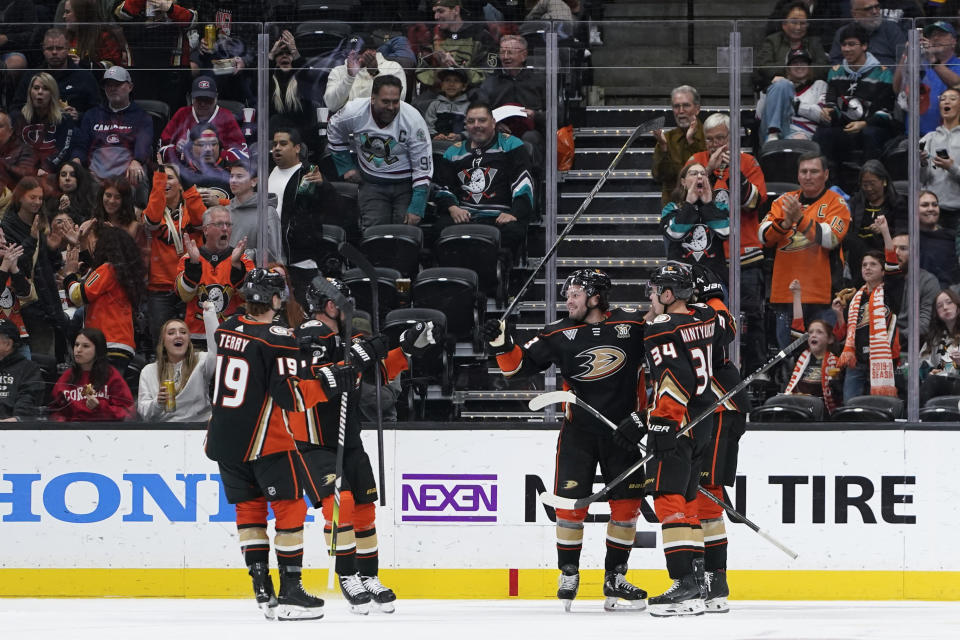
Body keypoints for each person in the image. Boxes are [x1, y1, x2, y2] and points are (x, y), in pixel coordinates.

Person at [483, 269, 648, 612]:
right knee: (570, 506)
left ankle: (615, 576)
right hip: (579, 434)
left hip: (625, 432)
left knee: (627, 507)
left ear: (595, 297)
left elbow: (667, 365)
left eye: (574, 294)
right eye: (567, 294)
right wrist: (501, 343)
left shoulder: (634, 326)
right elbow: (516, 369)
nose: (567, 300)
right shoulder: (558, 333)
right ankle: (569, 572)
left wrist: (643, 419)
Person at [289, 277, 435, 614]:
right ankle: (348, 575)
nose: (348, 308)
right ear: (329, 305)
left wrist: (408, 346)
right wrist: (353, 359)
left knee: (365, 510)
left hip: (348, 437)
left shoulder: (347, 339)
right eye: (343, 303)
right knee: (341, 505)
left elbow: (378, 372)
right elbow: (310, 379)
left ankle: (369, 576)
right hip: (314, 441)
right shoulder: (310, 334)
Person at [204, 267, 331, 621]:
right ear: (274, 299)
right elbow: (292, 397)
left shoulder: (228, 326)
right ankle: (291, 592)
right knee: (290, 508)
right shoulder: (278, 337)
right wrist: (328, 381)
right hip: (264, 440)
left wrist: (299, 354)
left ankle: (262, 588)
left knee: (249, 509)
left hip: (223, 438)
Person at [625, 262, 733, 617]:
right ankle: (699, 584)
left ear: (669, 294)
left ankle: (684, 586)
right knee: (687, 499)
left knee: (669, 500)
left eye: (655, 291)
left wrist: (660, 424)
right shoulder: (705, 315)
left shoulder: (659, 327)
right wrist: (714, 291)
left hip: (679, 420)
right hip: (704, 422)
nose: (651, 299)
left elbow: (675, 377)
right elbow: (723, 320)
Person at [687, 112, 768, 374]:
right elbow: (685, 198)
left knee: (751, 318)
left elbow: (754, 201)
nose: (714, 144)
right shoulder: (697, 162)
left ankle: (755, 374)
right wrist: (708, 170)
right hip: (708, 256)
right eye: (709, 139)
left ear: (732, 138)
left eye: (720, 138)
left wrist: (734, 172)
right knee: (707, 317)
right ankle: (713, 372)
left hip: (745, 254)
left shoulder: (748, 162)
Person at [760, 153, 851, 349]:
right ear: (798, 175)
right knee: (789, 360)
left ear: (826, 174)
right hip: (785, 295)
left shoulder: (837, 203)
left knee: (821, 361)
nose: (808, 176)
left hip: (822, 298)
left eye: (814, 171)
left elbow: (830, 238)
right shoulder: (784, 201)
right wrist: (785, 222)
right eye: (804, 171)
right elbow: (763, 236)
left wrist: (799, 219)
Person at [328, 75, 433, 230]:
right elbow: (334, 128)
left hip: (406, 186)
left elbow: (423, 167)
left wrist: (417, 206)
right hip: (371, 184)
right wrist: (346, 166)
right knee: (373, 233)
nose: (391, 107)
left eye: (395, 101)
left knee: (404, 234)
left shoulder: (413, 120)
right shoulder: (354, 111)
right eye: (385, 101)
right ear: (372, 98)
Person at [433, 101, 535, 259]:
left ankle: (496, 278)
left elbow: (524, 183)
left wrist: (514, 213)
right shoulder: (453, 151)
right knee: (440, 229)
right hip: (464, 216)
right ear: (465, 125)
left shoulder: (511, 145)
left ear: (493, 123)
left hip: (499, 217)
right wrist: (453, 208)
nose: (476, 125)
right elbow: (443, 187)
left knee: (513, 231)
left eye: (482, 120)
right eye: (471, 121)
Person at [835, 214, 902, 400]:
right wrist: (839, 314)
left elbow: (892, 262)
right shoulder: (855, 298)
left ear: (883, 270)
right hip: (857, 361)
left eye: (873, 264)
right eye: (864, 265)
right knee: (850, 407)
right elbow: (842, 336)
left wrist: (885, 231)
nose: (867, 268)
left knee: (882, 406)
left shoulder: (891, 291)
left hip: (884, 359)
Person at [63, 224, 147, 373]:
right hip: (122, 344)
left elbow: (79, 295)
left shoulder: (108, 269)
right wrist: (82, 245)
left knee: (100, 393)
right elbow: (93, 274)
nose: (95, 245)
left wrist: (70, 275)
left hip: (106, 343)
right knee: (108, 392)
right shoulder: (124, 272)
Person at [268, 127, 337, 305]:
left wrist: (323, 186)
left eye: (283, 144)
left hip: (300, 258)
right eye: (274, 144)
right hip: (271, 254)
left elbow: (332, 208)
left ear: (297, 148)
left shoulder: (309, 174)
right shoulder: (266, 172)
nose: (277, 148)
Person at [816, 23, 898, 170]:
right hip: (845, 127)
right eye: (844, 45)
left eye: (852, 44)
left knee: (870, 134)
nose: (846, 49)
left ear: (864, 46)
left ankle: (869, 180)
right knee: (823, 134)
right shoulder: (835, 72)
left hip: (871, 127)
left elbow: (885, 111)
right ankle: (831, 184)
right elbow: (831, 103)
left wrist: (864, 123)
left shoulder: (882, 73)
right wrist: (829, 112)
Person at [2, 176, 67, 359]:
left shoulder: (41, 223)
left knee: (47, 357)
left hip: (46, 298)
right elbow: (14, 263)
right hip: (24, 303)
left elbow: (50, 265)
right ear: (20, 197)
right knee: (32, 357)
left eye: (40, 198)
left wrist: (53, 248)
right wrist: (31, 240)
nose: (37, 202)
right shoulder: (6, 227)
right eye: (32, 197)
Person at [142, 163, 205, 345]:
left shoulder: (191, 208)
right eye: (161, 179)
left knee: (191, 342)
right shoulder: (152, 211)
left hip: (191, 285)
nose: (164, 182)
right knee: (161, 344)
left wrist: (190, 189)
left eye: (170, 177)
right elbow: (152, 221)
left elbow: (201, 221)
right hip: (160, 288)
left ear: (181, 183)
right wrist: (158, 182)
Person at [175, 205, 253, 341]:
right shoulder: (189, 258)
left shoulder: (243, 259)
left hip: (232, 337)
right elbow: (184, 296)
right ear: (205, 230)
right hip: (197, 338)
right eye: (219, 224)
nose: (225, 228)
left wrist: (236, 267)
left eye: (228, 224)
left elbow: (249, 296)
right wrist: (194, 266)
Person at [70, 66, 154, 188]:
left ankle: (138, 208)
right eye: (109, 85)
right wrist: (76, 160)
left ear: (130, 87)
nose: (113, 88)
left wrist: (137, 161)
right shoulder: (92, 115)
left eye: (118, 84)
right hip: (94, 174)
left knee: (138, 174)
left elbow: (143, 145)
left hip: (127, 174)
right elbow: (81, 144)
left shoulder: (142, 117)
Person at [137, 303, 218, 422]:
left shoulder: (201, 360)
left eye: (183, 332)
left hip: (199, 426)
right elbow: (144, 412)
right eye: (171, 333)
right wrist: (157, 403)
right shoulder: (148, 371)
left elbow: (217, 351)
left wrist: (210, 314)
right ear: (163, 341)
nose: (178, 336)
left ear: (188, 340)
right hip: (165, 429)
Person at [475, 34, 547, 163]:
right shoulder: (490, 82)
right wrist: (494, 124)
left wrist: (535, 115)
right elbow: (479, 110)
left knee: (530, 139)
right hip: (497, 131)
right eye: (502, 52)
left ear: (524, 55)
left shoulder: (539, 80)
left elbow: (556, 115)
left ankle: (530, 179)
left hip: (532, 131)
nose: (505, 57)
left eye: (510, 52)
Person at [660, 161, 730, 283]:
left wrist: (708, 205)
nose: (699, 176)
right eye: (693, 173)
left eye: (703, 174)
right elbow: (674, 233)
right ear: (683, 182)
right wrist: (689, 205)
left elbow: (725, 231)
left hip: (713, 278)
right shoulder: (671, 208)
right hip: (680, 279)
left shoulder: (720, 207)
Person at [9, 28, 100, 119]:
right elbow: (15, 110)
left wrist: (79, 116)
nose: (54, 52)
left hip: (74, 129)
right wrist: (33, 114)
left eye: (59, 48)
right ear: (43, 49)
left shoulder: (84, 77)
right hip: (38, 129)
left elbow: (98, 113)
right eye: (49, 48)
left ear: (68, 49)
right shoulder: (31, 76)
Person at [784, 279, 843, 415]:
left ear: (830, 339)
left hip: (823, 414)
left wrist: (839, 314)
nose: (813, 336)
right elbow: (797, 326)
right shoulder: (802, 355)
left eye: (819, 332)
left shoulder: (837, 360)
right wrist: (797, 295)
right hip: (797, 410)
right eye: (810, 332)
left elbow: (844, 336)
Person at [49, 327, 134, 422]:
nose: (78, 350)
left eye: (85, 346)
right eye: (76, 345)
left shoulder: (112, 376)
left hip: (105, 431)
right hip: (72, 432)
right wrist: (62, 423)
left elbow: (128, 412)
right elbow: (54, 411)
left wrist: (100, 407)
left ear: (98, 350)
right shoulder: (67, 377)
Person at [844, 160, 906, 287]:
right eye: (865, 185)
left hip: (885, 255)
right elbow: (849, 231)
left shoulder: (898, 203)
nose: (869, 189)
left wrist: (884, 231)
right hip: (858, 258)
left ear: (883, 181)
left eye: (872, 184)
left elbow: (902, 232)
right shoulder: (855, 201)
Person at [892, 20, 960, 136]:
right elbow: (897, 88)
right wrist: (906, 54)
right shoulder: (922, 64)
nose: (936, 38)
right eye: (932, 35)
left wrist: (933, 60)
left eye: (942, 35)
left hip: (947, 137)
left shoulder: (957, 64)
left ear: (954, 42)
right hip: (915, 135)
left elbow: (956, 84)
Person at [159, 75, 246, 165]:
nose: (203, 104)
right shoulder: (182, 114)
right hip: (185, 173)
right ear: (191, 98)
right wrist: (177, 150)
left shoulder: (225, 116)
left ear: (216, 98)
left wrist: (217, 153)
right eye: (199, 99)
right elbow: (161, 152)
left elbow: (243, 154)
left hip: (219, 173)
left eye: (208, 99)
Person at [415, 0, 496, 92]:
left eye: (441, 11)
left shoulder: (481, 36)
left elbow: (488, 74)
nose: (436, 17)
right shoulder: (430, 35)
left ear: (456, 10)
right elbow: (421, 71)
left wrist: (457, 70)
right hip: (437, 93)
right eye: (435, 12)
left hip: (471, 93)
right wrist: (441, 71)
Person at [267, 30, 322, 162]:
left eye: (289, 54)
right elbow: (258, 80)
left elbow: (307, 76)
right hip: (274, 140)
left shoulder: (303, 83)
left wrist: (294, 49)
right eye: (280, 54)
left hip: (301, 139)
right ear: (275, 61)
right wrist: (271, 53)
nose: (284, 56)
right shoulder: (269, 83)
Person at [753, 1, 830, 93]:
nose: (798, 27)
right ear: (784, 24)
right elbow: (763, 67)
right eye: (794, 22)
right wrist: (791, 71)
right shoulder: (772, 41)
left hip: (809, 91)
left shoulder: (814, 42)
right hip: (779, 89)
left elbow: (824, 67)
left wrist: (804, 72)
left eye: (802, 23)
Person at [10, 73, 77, 176]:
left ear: (52, 94)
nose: (40, 92)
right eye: (36, 88)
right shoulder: (17, 118)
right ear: (30, 92)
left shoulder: (64, 120)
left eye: (45, 89)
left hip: (52, 172)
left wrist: (46, 167)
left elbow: (64, 149)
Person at [756, 48, 829, 143]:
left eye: (803, 62)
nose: (799, 66)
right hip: (769, 134)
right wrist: (769, 91)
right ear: (788, 68)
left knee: (798, 139)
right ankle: (773, 134)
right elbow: (759, 116)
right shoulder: (779, 86)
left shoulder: (819, 85)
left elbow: (822, 116)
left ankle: (777, 143)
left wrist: (795, 105)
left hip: (802, 133)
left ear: (809, 67)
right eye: (795, 62)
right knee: (783, 85)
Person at [324, 33, 408, 114]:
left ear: (373, 51)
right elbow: (331, 105)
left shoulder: (392, 67)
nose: (353, 55)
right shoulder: (338, 71)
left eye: (358, 52)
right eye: (349, 52)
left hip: (381, 123)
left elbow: (399, 100)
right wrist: (350, 77)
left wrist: (375, 73)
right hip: (348, 124)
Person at [652, 85, 705, 206]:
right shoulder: (667, 138)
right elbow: (658, 176)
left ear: (697, 109)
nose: (681, 111)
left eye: (686, 105)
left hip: (704, 206)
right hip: (674, 209)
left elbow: (708, 171)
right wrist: (664, 147)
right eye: (676, 106)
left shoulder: (710, 135)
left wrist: (691, 141)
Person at [227, 156, 282, 266]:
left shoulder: (267, 213)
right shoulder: (225, 211)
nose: (233, 180)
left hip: (254, 279)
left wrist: (242, 255)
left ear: (253, 181)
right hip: (225, 278)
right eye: (231, 176)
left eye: (239, 176)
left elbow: (273, 254)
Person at [920, 88, 960, 232]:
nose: (946, 101)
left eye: (952, 98)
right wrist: (923, 164)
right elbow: (920, 180)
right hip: (934, 212)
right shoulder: (928, 139)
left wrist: (952, 168)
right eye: (943, 99)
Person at [890, 231, 939, 344]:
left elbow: (925, 323)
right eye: (892, 249)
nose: (896, 253)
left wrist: (895, 338)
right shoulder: (881, 279)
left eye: (903, 248)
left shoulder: (928, 281)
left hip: (911, 347)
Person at [828, 0, 906, 66]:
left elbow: (903, 60)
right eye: (868, 9)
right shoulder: (843, 32)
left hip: (887, 79)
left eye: (877, 7)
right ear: (855, 14)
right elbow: (835, 62)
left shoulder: (892, 29)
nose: (875, 12)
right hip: (854, 79)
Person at [918, 289, 960, 404]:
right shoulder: (935, 339)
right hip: (939, 384)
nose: (945, 307)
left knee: (933, 382)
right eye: (940, 306)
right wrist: (929, 371)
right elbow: (921, 365)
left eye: (949, 302)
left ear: (958, 305)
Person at [63, 0, 132, 69]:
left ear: (81, 14)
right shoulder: (66, 37)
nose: (64, 16)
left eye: (67, 12)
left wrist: (87, 65)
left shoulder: (103, 36)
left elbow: (113, 66)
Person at [0, 317, 43, 421]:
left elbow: (28, 398)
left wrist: (17, 419)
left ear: (8, 344)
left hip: (12, 430)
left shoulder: (29, 369)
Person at [915, 191, 959, 289]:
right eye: (924, 205)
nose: (931, 209)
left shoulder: (952, 237)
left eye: (935, 205)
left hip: (951, 295)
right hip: (921, 294)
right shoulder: (910, 238)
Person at [424, 68, 470, 155]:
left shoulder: (469, 107)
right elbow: (427, 126)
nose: (451, 84)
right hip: (436, 148)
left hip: (460, 149)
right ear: (442, 85)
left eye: (456, 81)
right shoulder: (435, 105)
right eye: (447, 80)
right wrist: (435, 135)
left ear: (464, 87)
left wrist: (460, 136)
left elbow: (472, 129)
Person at [43, 158, 95, 225]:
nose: (67, 178)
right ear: (58, 179)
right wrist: (59, 212)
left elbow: (87, 224)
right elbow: (45, 224)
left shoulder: (88, 200)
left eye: (72, 175)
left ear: (79, 179)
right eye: (63, 175)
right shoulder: (49, 200)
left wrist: (69, 210)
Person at [0, 111, 38, 192]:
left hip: (14, 197)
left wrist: (3, 164)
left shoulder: (23, 150)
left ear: (10, 131)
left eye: (0, 126)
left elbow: (26, 175)